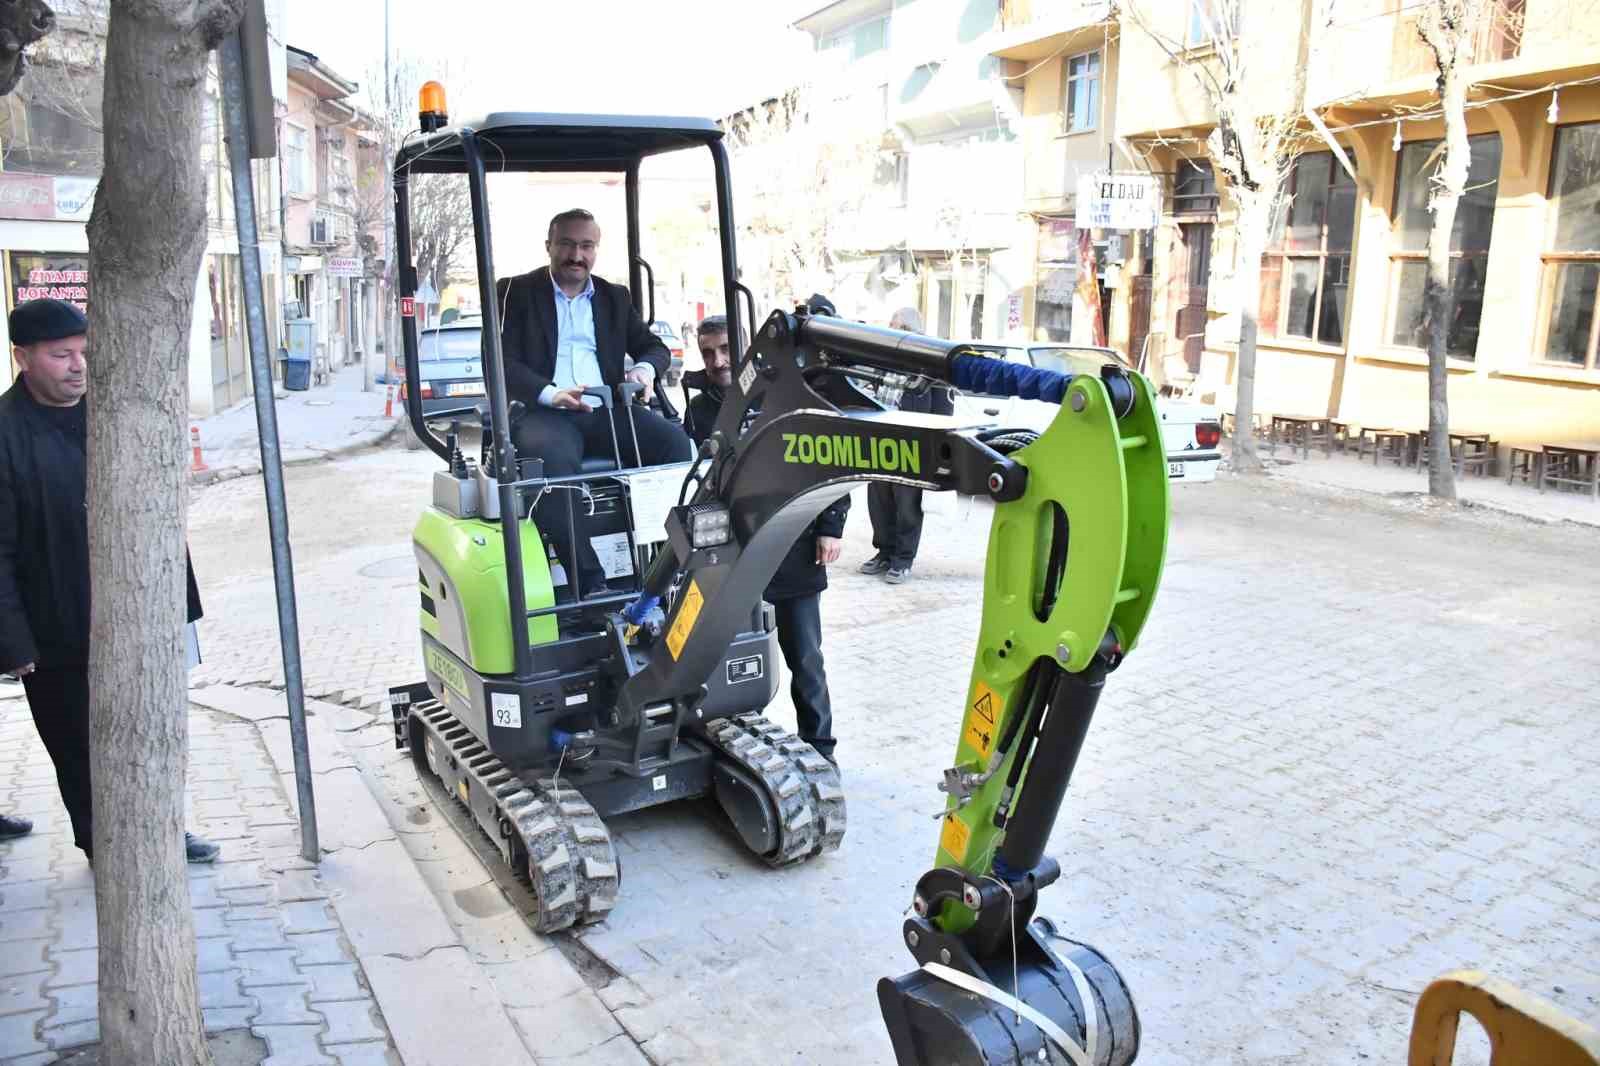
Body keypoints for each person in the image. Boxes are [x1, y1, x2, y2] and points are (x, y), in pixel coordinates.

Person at [0, 298, 219, 866]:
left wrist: (180, 608)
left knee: (147, 733)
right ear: (22, 357)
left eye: (84, 352)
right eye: (61, 354)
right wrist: (14, 643)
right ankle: (105, 849)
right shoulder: (4, 435)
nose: (78, 365)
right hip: (55, 629)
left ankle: (161, 832)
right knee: (78, 747)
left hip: (134, 611)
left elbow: (157, 512)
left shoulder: (115, 412)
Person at [496, 209, 692, 594]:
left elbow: (652, 346)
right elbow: (500, 361)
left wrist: (644, 371)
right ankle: (590, 582)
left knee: (674, 442)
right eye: (567, 244)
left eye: (586, 246)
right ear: (549, 246)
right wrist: (552, 393)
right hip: (545, 411)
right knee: (550, 464)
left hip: (605, 409)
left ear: (596, 249)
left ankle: (669, 567)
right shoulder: (514, 292)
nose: (576, 255)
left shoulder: (613, 297)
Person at [684, 315, 845, 766]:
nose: (716, 361)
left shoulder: (787, 393)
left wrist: (830, 526)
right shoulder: (698, 411)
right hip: (732, 553)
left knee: (806, 659)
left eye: (724, 350)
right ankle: (746, 743)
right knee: (733, 659)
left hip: (793, 543)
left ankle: (821, 749)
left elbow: (829, 460)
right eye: (707, 352)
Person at [859, 307, 953, 585]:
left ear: (910, 331)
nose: (890, 329)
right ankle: (884, 552)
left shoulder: (932, 364)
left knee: (907, 505)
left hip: (912, 445)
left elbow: (943, 413)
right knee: (879, 502)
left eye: (895, 325)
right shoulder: (886, 360)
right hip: (880, 441)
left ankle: (903, 559)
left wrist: (934, 450)